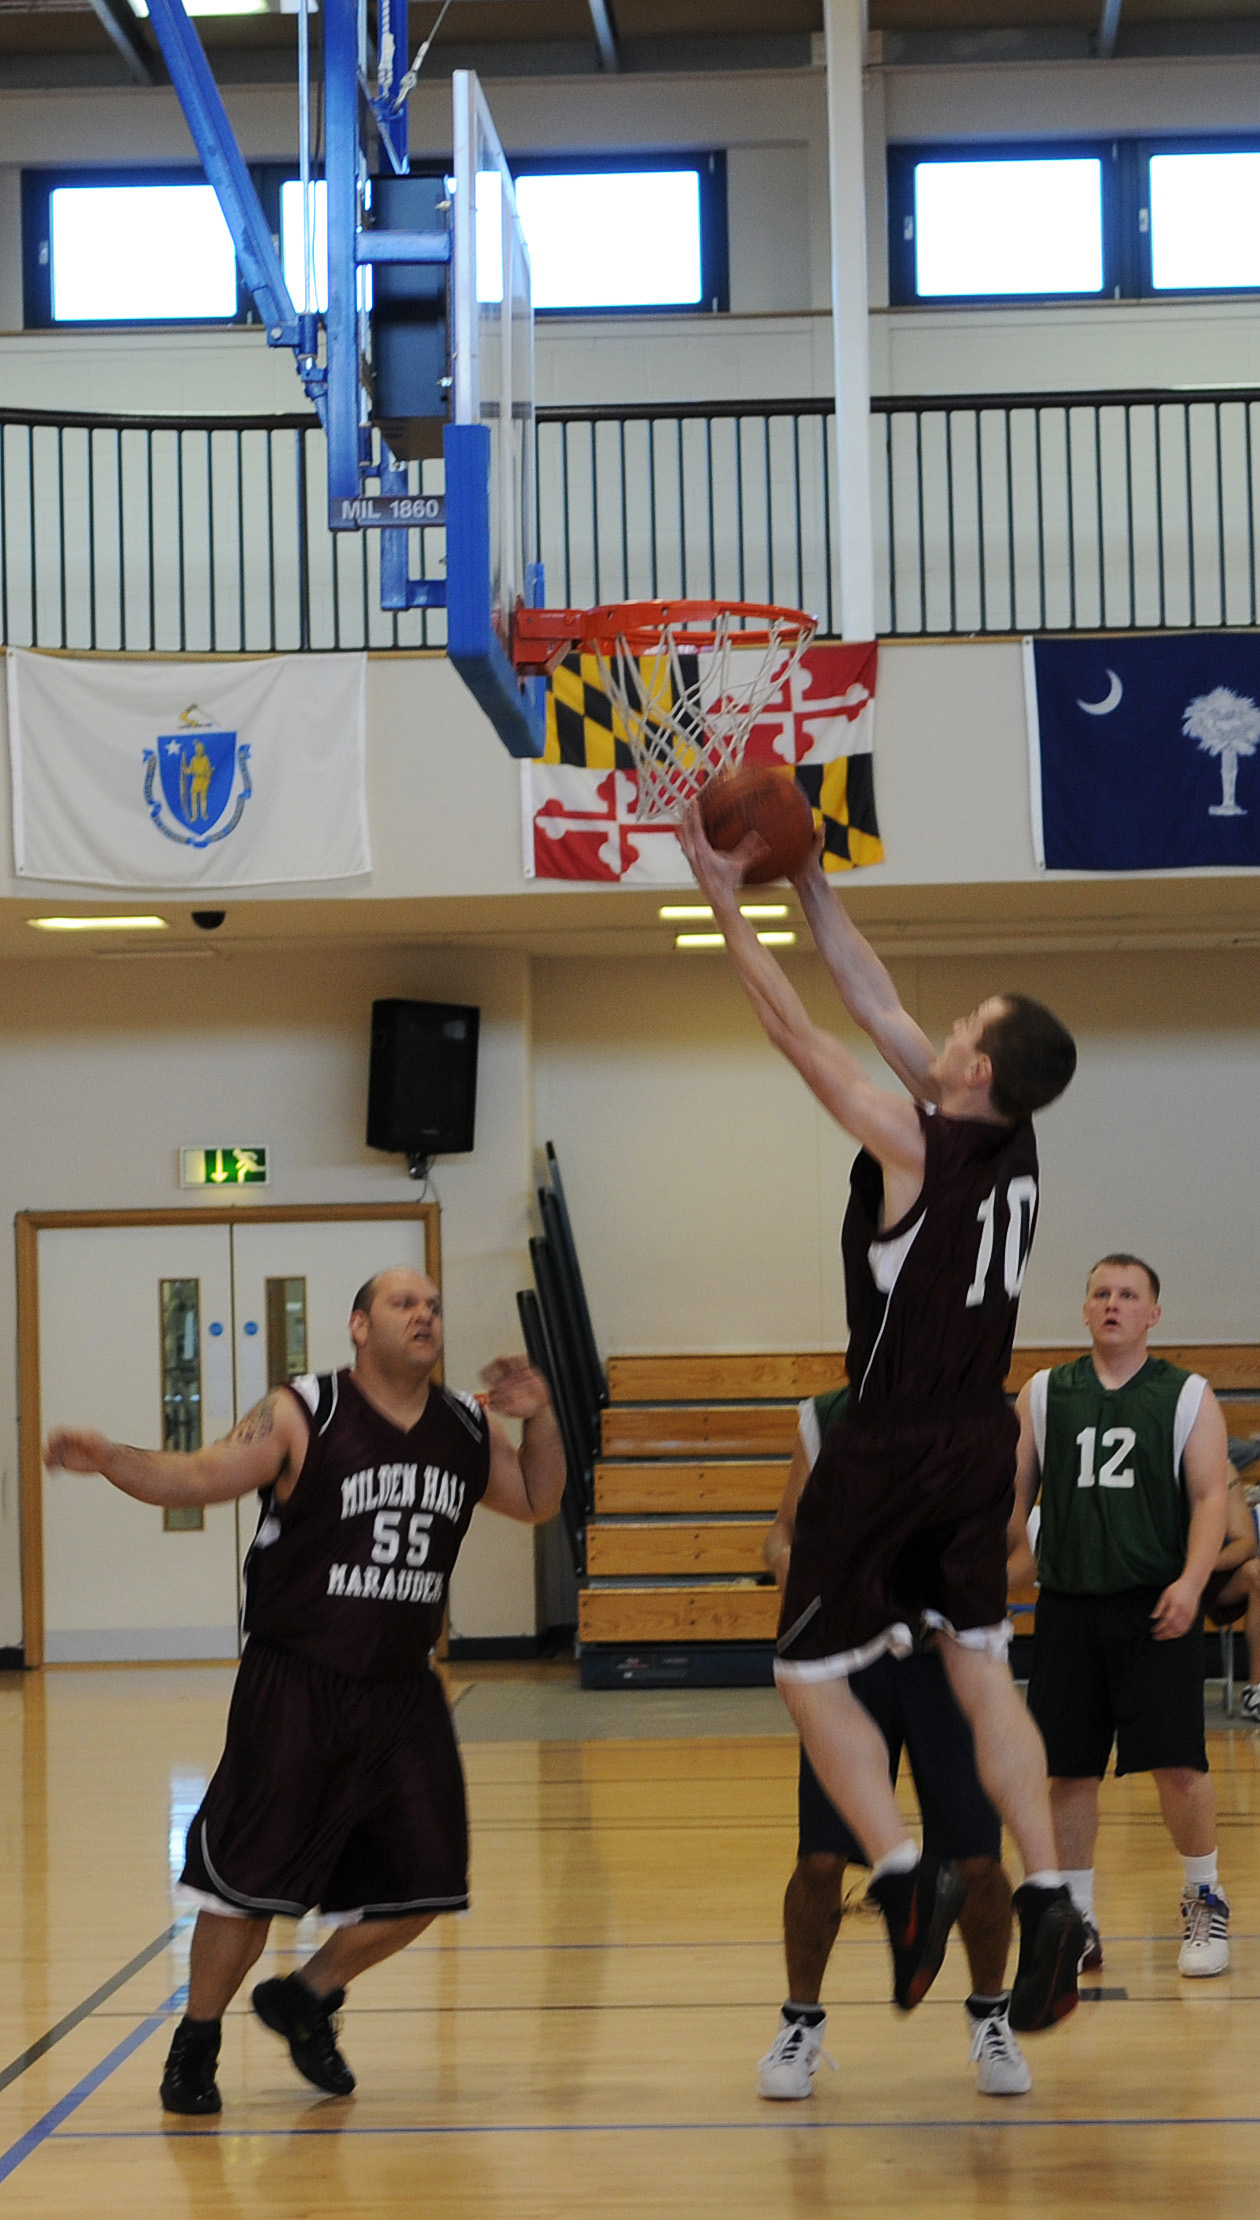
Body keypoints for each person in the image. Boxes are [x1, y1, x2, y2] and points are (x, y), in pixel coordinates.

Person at [677, 807, 1083, 2034]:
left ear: (973, 1071)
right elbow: (869, 995)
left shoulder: (912, 1139)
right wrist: (806, 880)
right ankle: (1054, 1889)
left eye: (963, 1029)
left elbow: (799, 1031)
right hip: (978, 1439)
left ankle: (903, 1875)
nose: (944, 1026)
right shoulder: (1007, 1144)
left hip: (892, 1438)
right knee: (978, 1662)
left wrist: (724, 899)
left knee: (806, 1669)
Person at [43, 1266, 566, 2116]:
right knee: (247, 1887)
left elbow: (540, 1499)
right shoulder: (304, 1411)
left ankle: (308, 1995)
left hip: (402, 1693)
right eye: (404, 1303)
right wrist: (109, 1457)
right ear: (360, 1327)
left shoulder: (466, 1426)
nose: (424, 1315)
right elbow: (199, 1477)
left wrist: (539, 1413)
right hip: (297, 1683)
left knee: (429, 1883)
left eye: (433, 1305)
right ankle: (196, 2045)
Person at [757, 1387, 1031, 2102]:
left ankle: (991, 2017)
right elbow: (780, 1534)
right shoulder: (831, 1413)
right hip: (850, 1665)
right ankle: (800, 2024)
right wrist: (803, 1574)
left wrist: (959, 1598)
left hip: (949, 1664)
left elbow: (1019, 1556)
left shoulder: (983, 1418)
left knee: (977, 1858)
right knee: (820, 1857)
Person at [1009, 1253, 1230, 1979]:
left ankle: (1203, 1898)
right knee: (1068, 1772)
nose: (1113, 1304)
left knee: (1178, 1763)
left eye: (1128, 1294)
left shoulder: (1186, 1393)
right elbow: (1013, 1505)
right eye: (1101, 1292)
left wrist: (1194, 1582)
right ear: (1084, 1309)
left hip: (1155, 1605)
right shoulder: (1045, 1393)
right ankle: (1077, 1920)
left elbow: (1208, 1499)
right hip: (1069, 1605)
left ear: (1153, 1314)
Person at [1202, 1446, 1260, 1720]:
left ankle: (1256, 1691)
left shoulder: (1221, 1467)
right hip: (1155, 1571)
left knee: (1257, 1572)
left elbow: (1246, 1542)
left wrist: (1199, 1566)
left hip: (1211, 1574)